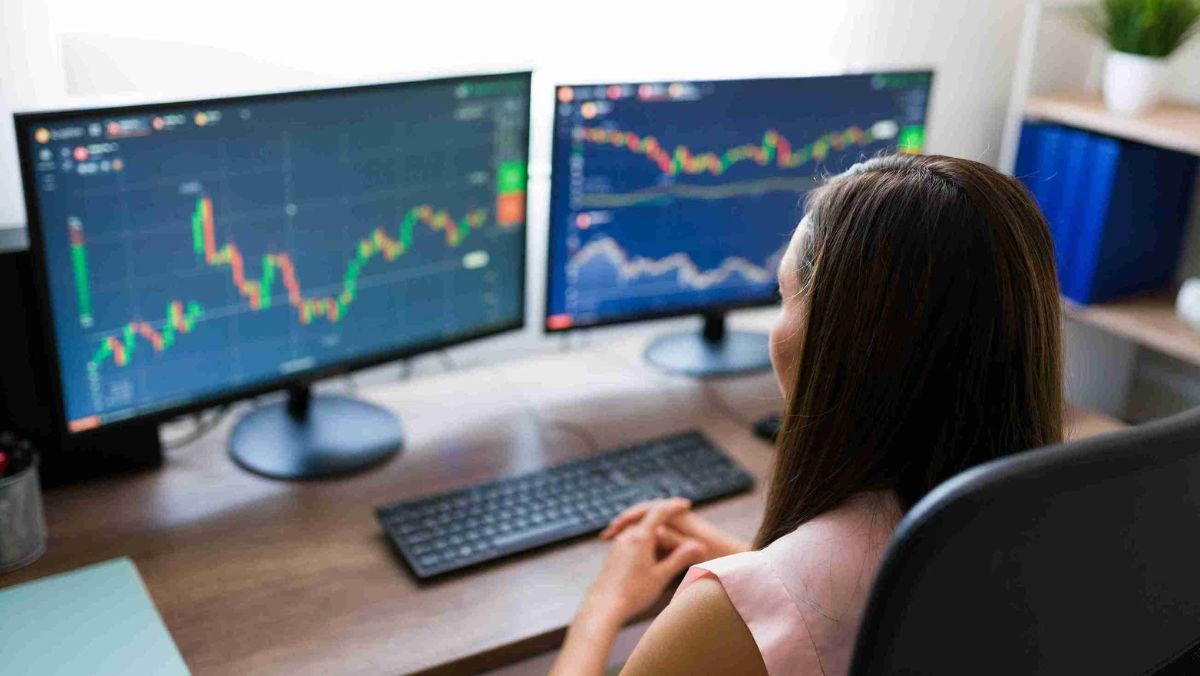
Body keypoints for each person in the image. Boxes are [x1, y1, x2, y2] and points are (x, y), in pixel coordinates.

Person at [549, 154, 1064, 675]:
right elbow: (853, 601)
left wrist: (603, 605)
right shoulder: (1056, 531)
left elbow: (803, 613)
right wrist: (740, 558)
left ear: (838, 344)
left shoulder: (724, 616)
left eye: (785, 296)